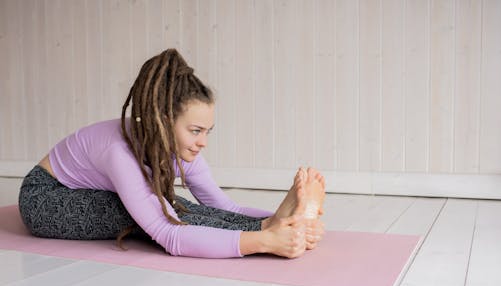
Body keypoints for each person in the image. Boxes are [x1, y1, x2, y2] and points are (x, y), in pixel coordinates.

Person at [18, 48, 325, 259]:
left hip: (85, 190)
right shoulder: (119, 152)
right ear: (164, 122)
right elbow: (169, 234)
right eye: (195, 130)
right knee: (151, 211)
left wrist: (271, 221)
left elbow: (222, 204)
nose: (203, 142)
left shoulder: (182, 149)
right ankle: (270, 227)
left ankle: (275, 220)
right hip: (46, 198)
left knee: (172, 203)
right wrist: (263, 243)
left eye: (208, 131)